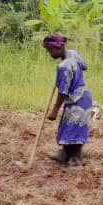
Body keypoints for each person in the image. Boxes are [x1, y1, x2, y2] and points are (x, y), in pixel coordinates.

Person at [42, 33, 94, 167]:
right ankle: (64, 154)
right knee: (67, 128)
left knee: (74, 131)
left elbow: (62, 92)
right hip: (83, 98)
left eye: (50, 51)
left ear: (59, 48)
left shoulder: (63, 67)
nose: (49, 54)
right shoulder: (73, 53)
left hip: (78, 101)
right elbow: (85, 66)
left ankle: (76, 161)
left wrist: (54, 111)